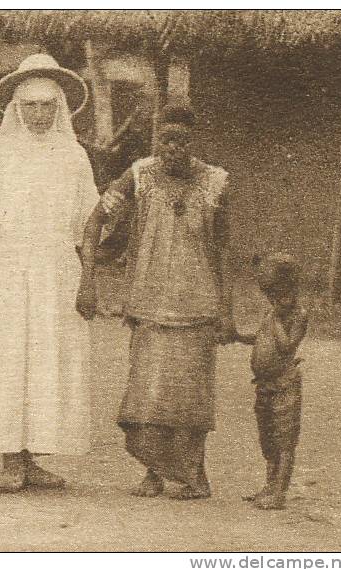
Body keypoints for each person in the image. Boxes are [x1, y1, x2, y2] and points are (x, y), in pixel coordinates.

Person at [0, 54, 98, 492]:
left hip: (54, 270)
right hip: (5, 269)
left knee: (45, 359)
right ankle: (10, 457)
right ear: (15, 108)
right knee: (8, 357)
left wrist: (89, 277)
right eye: (30, 105)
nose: (40, 113)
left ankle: (32, 458)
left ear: (61, 106)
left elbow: (89, 220)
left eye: (48, 104)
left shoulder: (74, 155)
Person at [78, 104, 236, 499]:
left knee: (189, 396)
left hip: (198, 307)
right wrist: (88, 280)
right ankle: (153, 473)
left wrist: (227, 311)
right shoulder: (136, 176)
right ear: (156, 140)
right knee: (147, 393)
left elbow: (224, 251)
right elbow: (95, 220)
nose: (172, 148)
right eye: (165, 139)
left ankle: (194, 477)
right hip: (148, 304)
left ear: (193, 141)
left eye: (181, 140)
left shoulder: (216, 183)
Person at [236, 253, 308, 510]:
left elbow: (287, 345)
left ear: (291, 291)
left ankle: (279, 493)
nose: (277, 300)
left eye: (282, 295)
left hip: (284, 386)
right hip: (265, 386)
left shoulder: (298, 315)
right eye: (274, 296)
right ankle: (269, 485)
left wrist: (276, 320)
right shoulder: (272, 313)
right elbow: (259, 338)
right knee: (267, 439)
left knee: (285, 441)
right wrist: (236, 336)